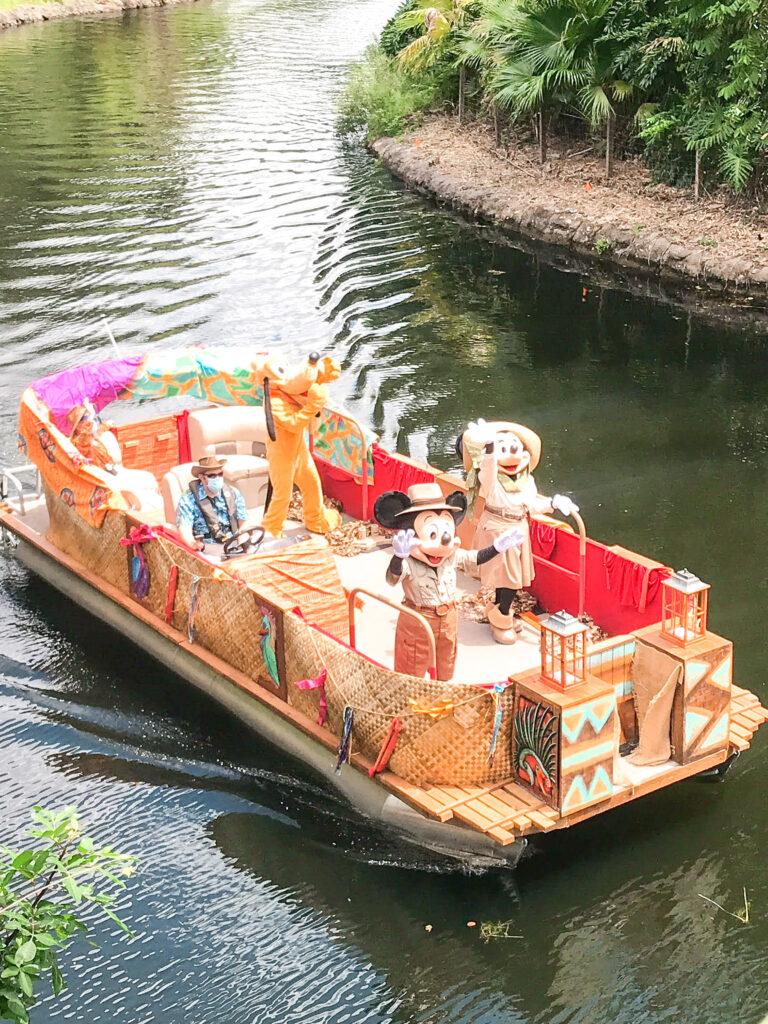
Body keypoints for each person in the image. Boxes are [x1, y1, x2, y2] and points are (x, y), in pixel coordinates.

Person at [374, 483, 523, 681]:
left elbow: (472, 559)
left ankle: (441, 703)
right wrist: (399, 557)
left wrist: (496, 548)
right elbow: (393, 577)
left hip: (448, 618)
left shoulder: (451, 557)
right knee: (411, 670)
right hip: (418, 619)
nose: (442, 543)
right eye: (432, 534)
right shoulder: (409, 561)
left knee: (446, 666)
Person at [176, 455, 251, 551]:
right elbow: (185, 530)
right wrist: (194, 546)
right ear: (202, 478)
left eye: (220, 474)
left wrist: (243, 544)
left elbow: (243, 522)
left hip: (233, 541)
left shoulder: (233, 493)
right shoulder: (188, 499)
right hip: (208, 547)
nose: (218, 478)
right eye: (212, 476)